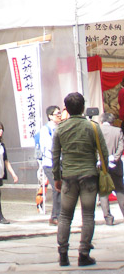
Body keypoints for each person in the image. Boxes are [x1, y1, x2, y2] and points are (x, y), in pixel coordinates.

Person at [52, 91, 109, 267]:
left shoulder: (60, 129)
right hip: (89, 177)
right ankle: (84, 253)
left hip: (68, 177)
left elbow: (55, 156)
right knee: (88, 216)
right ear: (83, 107)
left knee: (64, 216)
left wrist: (57, 177)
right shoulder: (92, 127)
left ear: (66, 109)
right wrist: (102, 170)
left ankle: (63, 254)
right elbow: (104, 153)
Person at [97, 111, 124, 224]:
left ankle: (108, 217)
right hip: (115, 164)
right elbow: (121, 145)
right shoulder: (118, 131)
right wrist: (115, 157)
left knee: (103, 191)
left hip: (101, 164)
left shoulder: (97, 131)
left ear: (102, 120)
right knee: (120, 190)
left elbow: (94, 148)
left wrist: (100, 158)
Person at [38, 105, 62, 225]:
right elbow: (48, 147)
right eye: (57, 114)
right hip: (50, 164)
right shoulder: (45, 130)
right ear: (50, 116)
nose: (59, 115)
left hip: (61, 163)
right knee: (57, 188)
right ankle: (55, 216)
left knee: (60, 189)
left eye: (60, 113)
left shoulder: (60, 128)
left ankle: (56, 216)